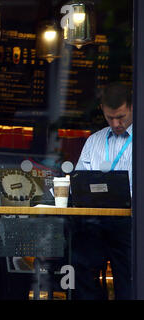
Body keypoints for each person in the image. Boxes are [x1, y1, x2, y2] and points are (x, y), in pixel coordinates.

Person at [72, 82, 132, 299]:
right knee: (84, 276)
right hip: (94, 222)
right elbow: (78, 183)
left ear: (133, 108)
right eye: (109, 118)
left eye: (121, 117)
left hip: (129, 222)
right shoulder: (94, 141)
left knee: (128, 282)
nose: (116, 123)